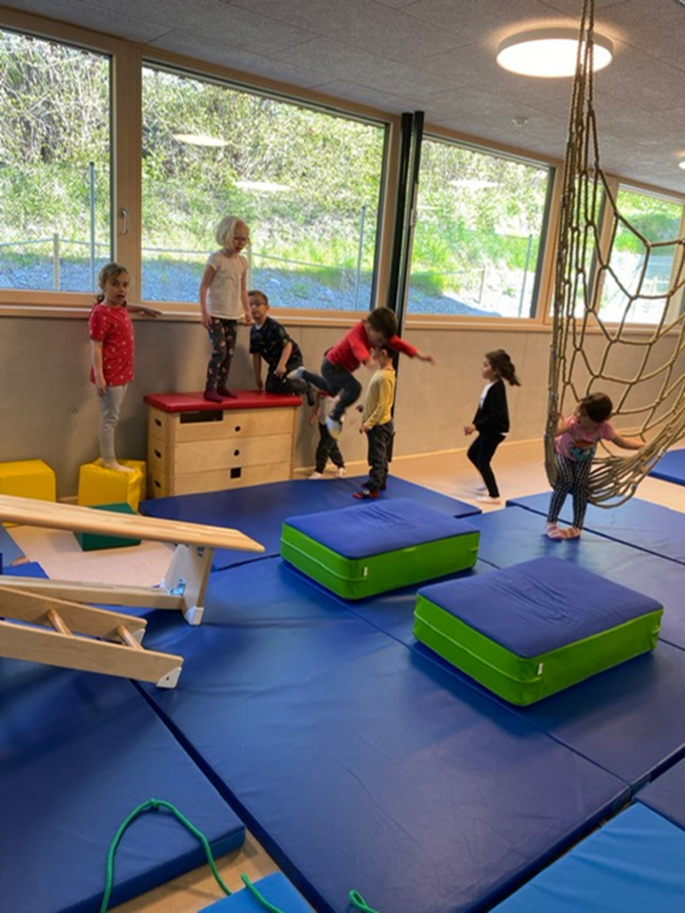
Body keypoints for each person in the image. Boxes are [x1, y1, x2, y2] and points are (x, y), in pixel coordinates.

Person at [288, 306, 433, 440]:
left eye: (383, 341)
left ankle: (304, 374)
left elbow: (399, 344)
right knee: (355, 388)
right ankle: (334, 417)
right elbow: (358, 348)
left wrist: (418, 354)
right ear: (369, 327)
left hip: (342, 369)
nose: (379, 344)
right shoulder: (356, 332)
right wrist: (367, 360)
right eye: (378, 340)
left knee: (331, 390)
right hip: (331, 366)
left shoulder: (377, 333)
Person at [89, 262, 159, 472]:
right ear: (103, 285)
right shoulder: (100, 313)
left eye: (125, 285)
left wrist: (143, 308)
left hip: (123, 372)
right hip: (110, 374)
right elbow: (96, 346)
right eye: (115, 284)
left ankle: (109, 459)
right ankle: (109, 460)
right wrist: (100, 376)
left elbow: (128, 306)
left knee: (114, 415)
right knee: (109, 418)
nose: (121, 289)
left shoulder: (120, 308)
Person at [546, 392, 643, 539]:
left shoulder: (604, 428)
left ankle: (577, 526)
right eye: (580, 411)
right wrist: (556, 423)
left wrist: (643, 446)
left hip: (583, 460)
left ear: (598, 420)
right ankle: (551, 522)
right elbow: (555, 432)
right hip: (563, 454)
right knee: (565, 481)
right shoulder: (574, 423)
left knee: (581, 487)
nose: (579, 416)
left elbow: (622, 442)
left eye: (584, 415)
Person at [199, 215, 252, 402]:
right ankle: (210, 388)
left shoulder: (242, 262)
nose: (240, 243)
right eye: (236, 238)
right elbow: (203, 286)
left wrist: (247, 311)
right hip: (215, 314)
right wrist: (204, 312)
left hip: (232, 314)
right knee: (219, 351)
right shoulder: (216, 259)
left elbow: (243, 290)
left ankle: (221, 385)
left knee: (229, 353)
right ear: (225, 236)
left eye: (243, 239)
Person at [464, 349, 521, 504]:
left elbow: (496, 415)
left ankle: (494, 495)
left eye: (485, 366)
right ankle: (486, 480)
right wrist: (474, 424)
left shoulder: (498, 389)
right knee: (472, 454)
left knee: (483, 461)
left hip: (496, 431)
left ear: (495, 370)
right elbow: (482, 409)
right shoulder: (490, 386)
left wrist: (476, 426)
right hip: (488, 429)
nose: (482, 368)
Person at [248, 290, 312, 402]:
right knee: (271, 388)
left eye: (257, 304)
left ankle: (306, 385)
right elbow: (256, 356)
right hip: (275, 363)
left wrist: (282, 365)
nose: (253, 307)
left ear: (267, 308)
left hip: (291, 359)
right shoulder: (254, 332)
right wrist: (257, 377)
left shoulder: (273, 326)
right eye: (250, 305)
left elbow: (287, 345)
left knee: (288, 381)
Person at [353, 344, 396, 500]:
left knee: (376, 458)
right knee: (381, 456)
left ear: (383, 353)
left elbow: (384, 405)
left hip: (379, 426)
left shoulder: (385, 377)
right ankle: (380, 481)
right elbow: (377, 399)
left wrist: (368, 423)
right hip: (380, 423)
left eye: (375, 351)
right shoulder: (382, 373)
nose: (372, 353)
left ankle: (373, 489)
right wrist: (366, 408)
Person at [308, 391, 346, 480]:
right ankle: (341, 465)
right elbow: (318, 402)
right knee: (331, 446)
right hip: (323, 420)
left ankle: (319, 470)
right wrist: (314, 415)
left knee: (323, 447)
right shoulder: (321, 388)